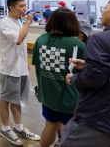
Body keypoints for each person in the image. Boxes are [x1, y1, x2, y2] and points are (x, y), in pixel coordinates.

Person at [32, 8, 84, 147]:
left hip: (47, 94)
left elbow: (36, 63)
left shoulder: (41, 39)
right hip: (69, 96)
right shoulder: (76, 44)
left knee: (50, 125)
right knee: (67, 128)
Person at [61, 4, 110, 147]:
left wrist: (74, 78)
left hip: (98, 117)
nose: (102, 12)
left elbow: (94, 78)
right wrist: (91, 65)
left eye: (105, 8)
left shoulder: (99, 39)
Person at [0, 0, 40, 146]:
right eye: (21, 6)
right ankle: (5, 128)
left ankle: (19, 126)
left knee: (16, 99)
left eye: (25, 5)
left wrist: (25, 61)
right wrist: (28, 22)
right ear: (11, 8)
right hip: (9, 68)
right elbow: (19, 40)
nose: (24, 8)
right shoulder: (4, 23)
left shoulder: (18, 21)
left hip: (20, 67)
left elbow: (21, 46)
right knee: (6, 98)